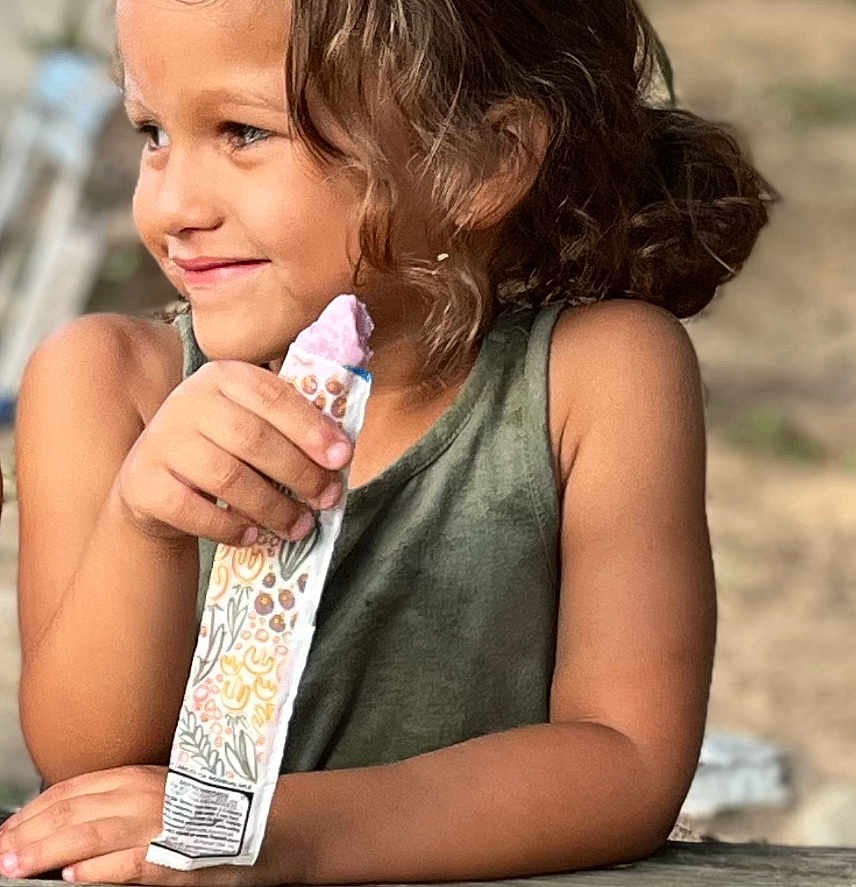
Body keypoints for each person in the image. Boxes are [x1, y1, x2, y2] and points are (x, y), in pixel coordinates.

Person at [1, 0, 775, 884]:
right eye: (152, 131)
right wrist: (148, 528)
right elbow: (85, 767)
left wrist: (283, 835)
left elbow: (627, 760)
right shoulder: (107, 385)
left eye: (244, 131)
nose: (170, 203)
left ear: (482, 161)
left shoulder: (596, 379)